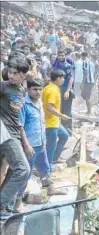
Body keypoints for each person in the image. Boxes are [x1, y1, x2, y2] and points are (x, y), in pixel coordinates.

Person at [18, 78, 67, 211]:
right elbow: (20, 127)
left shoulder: (39, 102)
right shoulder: (23, 105)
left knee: (45, 168)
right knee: (25, 173)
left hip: (40, 143)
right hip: (30, 146)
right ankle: (18, 202)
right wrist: (27, 145)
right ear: (28, 90)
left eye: (40, 89)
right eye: (35, 89)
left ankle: (49, 189)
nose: (38, 92)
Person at [0, 56, 31, 219]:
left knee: (12, 171)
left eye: (15, 73)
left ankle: (4, 204)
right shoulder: (3, 86)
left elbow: (18, 117)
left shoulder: (21, 90)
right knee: (23, 169)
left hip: (15, 134)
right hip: (5, 135)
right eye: (9, 72)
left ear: (23, 75)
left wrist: (24, 141)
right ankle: (1, 204)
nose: (10, 76)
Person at [42, 69, 70, 170]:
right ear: (57, 78)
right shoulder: (53, 90)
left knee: (64, 135)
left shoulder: (49, 87)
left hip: (54, 121)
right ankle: (47, 168)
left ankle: (54, 158)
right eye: (62, 78)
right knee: (50, 147)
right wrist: (62, 115)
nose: (63, 80)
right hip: (50, 123)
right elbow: (50, 107)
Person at [53, 49, 74, 131]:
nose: (61, 57)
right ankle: (63, 129)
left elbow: (71, 78)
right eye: (59, 55)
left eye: (62, 55)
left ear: (65, 56)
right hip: (59, 89)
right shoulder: (57, 65)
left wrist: (68, 91)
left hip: (66, 89)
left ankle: (68, 129)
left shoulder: (68, 66)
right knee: (60, 109)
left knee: (67, 110)